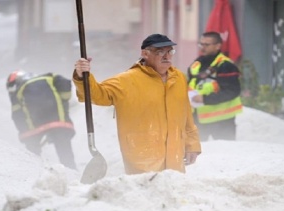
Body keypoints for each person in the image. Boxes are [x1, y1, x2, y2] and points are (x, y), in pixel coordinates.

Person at [72, 33, 201, 174]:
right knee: (143, 193)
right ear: (145, 53)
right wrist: (82, 76)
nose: (167, 56)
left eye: (170, 51)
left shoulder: (179, 78)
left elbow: (186, 114)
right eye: (160, 52)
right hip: (142, 157)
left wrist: (192, 145)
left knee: (171, 191)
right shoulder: (126, 80)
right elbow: (97, 94)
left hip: (175, 157)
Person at [6, 70, 77, 169]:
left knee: (32, 154)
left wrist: (26, 136)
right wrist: (64, 99)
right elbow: (65, 83)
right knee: (65, 152)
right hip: (59, 123)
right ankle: (73, 173)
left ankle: (36, 172)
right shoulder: (50, 77)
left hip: (35, 130)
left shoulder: (18, 91)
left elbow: (17, 117)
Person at [187, 31, 243, 141]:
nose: (202, 47)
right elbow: (191, 83)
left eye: (206, 45)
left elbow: (232, 91)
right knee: (199, 154)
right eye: (201, 44)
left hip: (222, 121)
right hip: (198, 119)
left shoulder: (225, 65)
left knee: (225, 155)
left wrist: (205, 99)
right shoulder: (197, 63)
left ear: (218, 46)